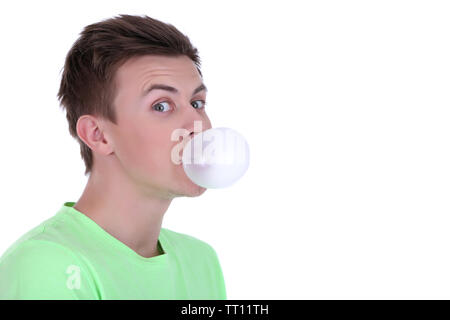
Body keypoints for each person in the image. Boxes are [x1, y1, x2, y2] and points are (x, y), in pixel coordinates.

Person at [0, 14, 226, 300]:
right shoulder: (48, 265)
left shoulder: (201, 260)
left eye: (197, 103)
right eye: (161, 106)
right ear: (98, 135)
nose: (198, 125)